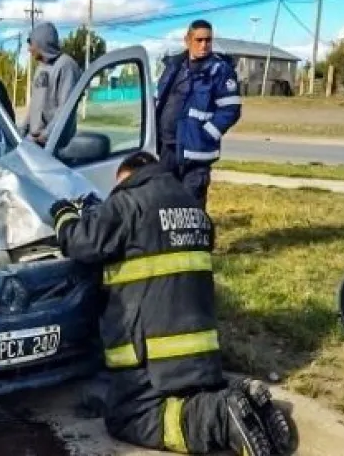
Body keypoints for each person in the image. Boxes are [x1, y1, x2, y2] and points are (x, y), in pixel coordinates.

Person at [49, 151, 294, 456]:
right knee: (186, 401)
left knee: (130, 417)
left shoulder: (128, 203)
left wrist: (63, 214)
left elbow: (81, 241)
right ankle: (249, 403)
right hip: (201, 355)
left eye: (119, 185)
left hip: (153, 359)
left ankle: (220, 417)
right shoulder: (193, 207)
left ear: (127, 177)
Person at [155, 19, 242, 209]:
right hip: (166, 149)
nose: (204, 45)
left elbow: (231, 109)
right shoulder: (174, 66)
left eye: (208, 40)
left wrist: (206, 134)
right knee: (164, 204)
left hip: (195, 152)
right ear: (187, 40)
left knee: (191, 207)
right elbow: (159, 98)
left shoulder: (220, 71)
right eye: (199, 40)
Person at [21, 21, 81, 146]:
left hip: (54, 143)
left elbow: (65, 108)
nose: (29, 49)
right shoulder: (41, 67)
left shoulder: (66, 66)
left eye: (31, 44)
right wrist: (22, 130)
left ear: (41, 43)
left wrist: (46, 135)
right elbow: (35, 105)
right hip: (35, 141)